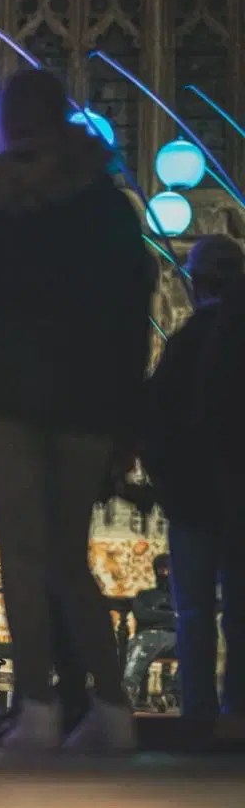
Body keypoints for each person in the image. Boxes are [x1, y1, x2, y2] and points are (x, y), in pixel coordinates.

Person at [0, 69, 156, 752]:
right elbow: (131, 320)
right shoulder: (110, 210)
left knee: (24, 557)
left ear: (3, 124)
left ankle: (38, 706)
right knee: (67, 557)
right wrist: (125, 418)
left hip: (9, 399)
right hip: (89, 402)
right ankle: (112, 710)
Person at [141, 235, 245, 738]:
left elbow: (155, 421)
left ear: (194, 282)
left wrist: (165, 484)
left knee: (197, 613)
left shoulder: (188, 340)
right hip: (230, 497)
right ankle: (237, 712)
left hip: (195, 502)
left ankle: (200, 716)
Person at [122, 554, 177, 710]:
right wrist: (170, 615)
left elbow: (181, 621)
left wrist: (157, 616)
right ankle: (128, 693)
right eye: (161, 568)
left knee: (196, 645)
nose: (164, 572)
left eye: (168, 568)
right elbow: (142, 616)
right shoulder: (145, 595)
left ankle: (172, 694)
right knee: (142, 642)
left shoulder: (179, 597)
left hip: (174, 639)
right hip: (147, 637)